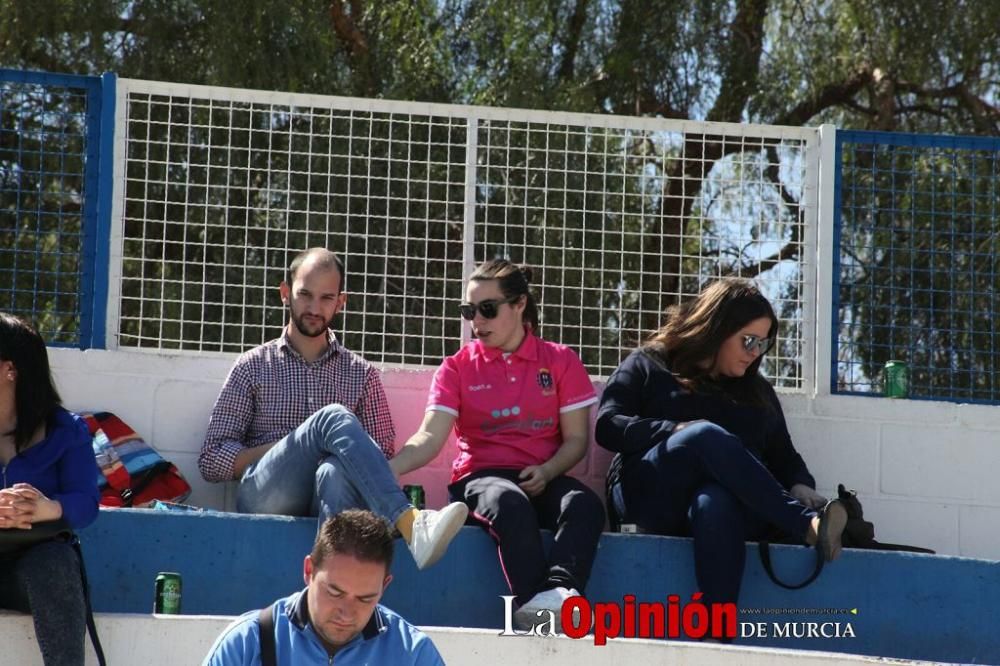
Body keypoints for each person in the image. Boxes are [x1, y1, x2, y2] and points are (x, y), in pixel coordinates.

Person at [595, 278, 847, 626]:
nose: (755, 352)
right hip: (647, 499)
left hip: (719, 517)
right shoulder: (651, 363)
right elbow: (608, 425)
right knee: (704, 436)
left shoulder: (756, 393)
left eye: (763, 343)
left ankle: (717, 635)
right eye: (748, 340)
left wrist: (800, 485)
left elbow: (784, 456)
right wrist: (673, 430)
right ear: (717, 329)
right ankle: (806, 527)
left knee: (714, 500)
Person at [199, 248, 467, 569]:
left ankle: (331, 581)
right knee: (332, 418)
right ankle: (409, 524)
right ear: (286, 293)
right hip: (265, 494)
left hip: (332, 494)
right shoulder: (253, 366)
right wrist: (298, 444)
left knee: (334, 470)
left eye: (326, 298)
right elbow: (212, 460)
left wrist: (326, 452)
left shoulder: (361, 373)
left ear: (341, 302)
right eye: (304, 295)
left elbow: (379, 456)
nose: (314, 308)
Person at [390, 259, 605, 629]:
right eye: (469, 311)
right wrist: (382, 471)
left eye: (487, 310)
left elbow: (577, 441)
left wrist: (549, 470)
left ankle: (559, 593)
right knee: (509, 502)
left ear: (519, 304)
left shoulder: (560, 360)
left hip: (543, 475)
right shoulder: (457, 367)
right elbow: (429, 437)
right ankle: (534, 607)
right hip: (481, 479)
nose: (476, 322)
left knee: (584, 504)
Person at [202, 509, 446, 665]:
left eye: (365, 599)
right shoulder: (248, 643)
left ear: (385, 586)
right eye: (335, 592)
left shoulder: (414, 654)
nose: (346, 613)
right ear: (309, 571)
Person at [0, 313, 101, 665]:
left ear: (9, 369)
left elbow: (88, 502)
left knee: (56, 563)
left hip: (33, 566)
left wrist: (48, 508)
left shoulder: (65, 429)